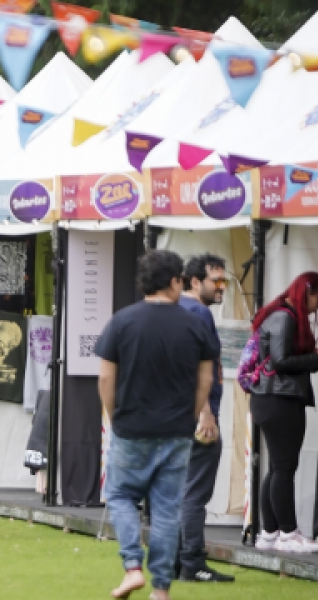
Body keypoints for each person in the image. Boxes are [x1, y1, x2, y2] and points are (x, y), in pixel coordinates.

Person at [94, 250, 219, 600]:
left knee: (120, 495)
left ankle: (133, 567)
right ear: (175, 281)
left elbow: (105, 378)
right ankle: (161, 589)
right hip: (177, 430)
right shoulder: (195, 324)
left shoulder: (121, 321)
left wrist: (113, 415)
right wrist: (191, 414)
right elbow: (205, 380)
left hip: (131, 426)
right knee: (167, 508)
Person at [250, 271, 318, 554]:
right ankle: (288, 533)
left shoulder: (278, 314)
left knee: (276, 469)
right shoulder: (285, 316)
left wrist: (316, 361)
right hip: (279, 399)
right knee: (283, 469)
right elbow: (282, 360)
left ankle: (270, 533)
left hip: (272, 398)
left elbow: (279, 358)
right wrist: (315, 359)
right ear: (307, 292)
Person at [177, 254, 234, 583]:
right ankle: (193, 563)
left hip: (174, 416)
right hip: (197, 416)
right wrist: (206, 413)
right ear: (194, 281)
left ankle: (175, 560)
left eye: (224, 281)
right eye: (217, 281)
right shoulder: (197, 312)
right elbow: (193, 368)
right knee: (195, 494)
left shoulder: (174, 310)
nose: (222, 288)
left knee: (179, 492)